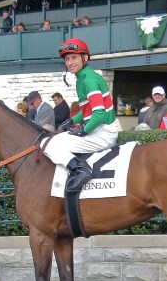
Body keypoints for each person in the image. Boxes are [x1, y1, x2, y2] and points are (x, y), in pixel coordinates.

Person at [45, 39, 117, 193]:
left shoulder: (89, 80)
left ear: (85, 58)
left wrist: (84, 131)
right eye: (67, 59)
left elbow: (99, 114)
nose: (70, 62)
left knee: (50, 145)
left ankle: (81, 171)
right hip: (100, 130)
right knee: (53, 139)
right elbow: (87, 111)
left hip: (103, 133)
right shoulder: (83, 78)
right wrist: (71, 121)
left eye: (74, 57)